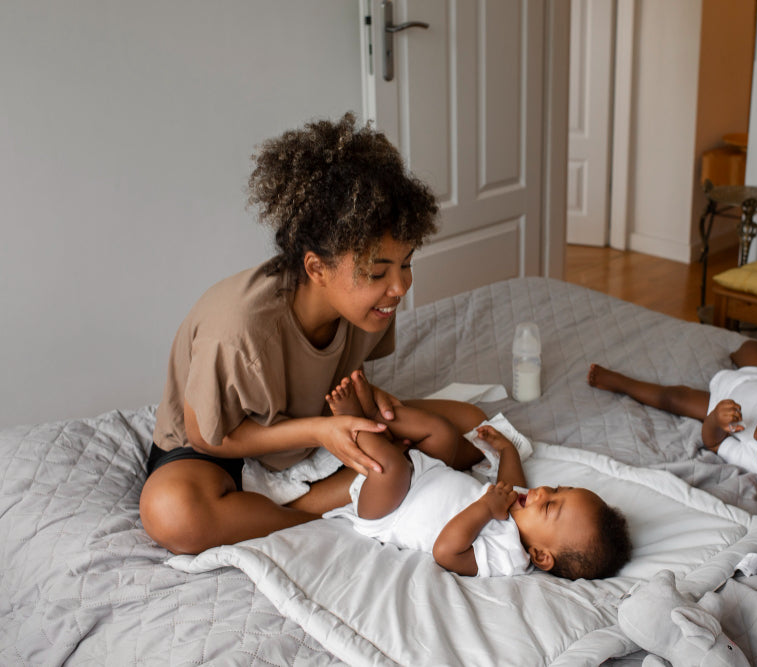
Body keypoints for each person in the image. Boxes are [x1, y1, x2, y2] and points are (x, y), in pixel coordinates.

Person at [140, 113, 484, 555]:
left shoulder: (370, 304)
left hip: (317, 428)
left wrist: (364, 398)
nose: (400, 287)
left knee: (472, 425)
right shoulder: (239, 331)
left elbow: (332, 372)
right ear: (316, 268)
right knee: (171, 511)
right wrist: (320, 432)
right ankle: (308, 512)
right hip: (222, 452)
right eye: (378, 272)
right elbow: (206, 436)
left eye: (406, 264)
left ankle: (294, 504)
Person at [321, 371, 632, 579]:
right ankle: (379, 416)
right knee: (443, 433)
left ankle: (354, 423)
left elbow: (446, 552)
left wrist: (485, 508)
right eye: (558, 488)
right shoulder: (520, 506)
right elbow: (511, 483)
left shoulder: (508, 555)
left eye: (550, 506)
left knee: (393, 468)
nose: (542, 493)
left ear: (541, 555)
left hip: (388, 510)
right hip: (425, 473)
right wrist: (506, 450)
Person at [587, 340, 757, 519]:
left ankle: (620, 382)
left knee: (674, 398)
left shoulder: (753, 461)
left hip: (721, 401)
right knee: (752, 347)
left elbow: (714, 443)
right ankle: (738, 355)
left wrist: (715, 421)